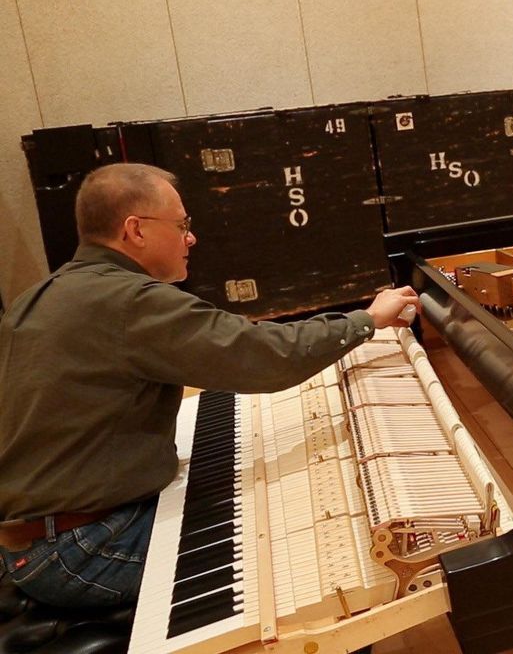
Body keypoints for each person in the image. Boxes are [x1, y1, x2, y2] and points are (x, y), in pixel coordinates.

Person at [0, 162, 420, 610]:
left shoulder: (44, 295)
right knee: (304, 560)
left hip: (40, 537)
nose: (191, 238)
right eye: (182, 225)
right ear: (135, 230)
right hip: (84, 549)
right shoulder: (127, 301)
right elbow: (263, 357)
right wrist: (366, 320)